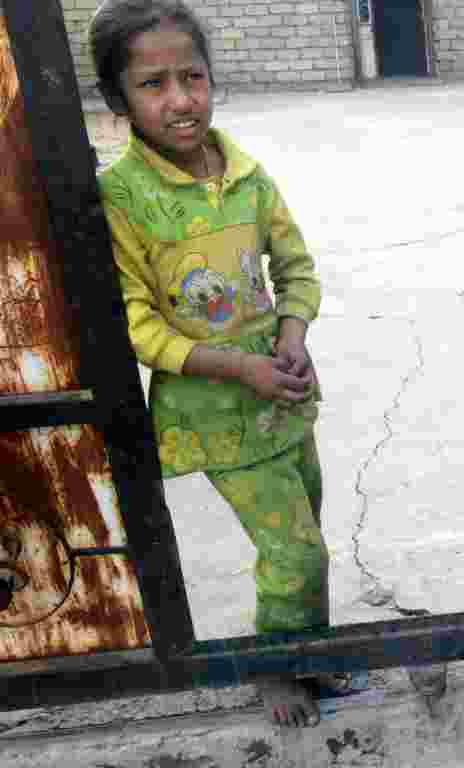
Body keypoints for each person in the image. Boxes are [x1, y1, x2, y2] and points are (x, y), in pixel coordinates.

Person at [89, 0, 330, 728]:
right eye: (153, 84)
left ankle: (307, 646)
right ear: (116, 99)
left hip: (284, 393)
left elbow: (296, 267)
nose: (180, 99)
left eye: (191, 76)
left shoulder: (249, 177)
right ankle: (275, 669)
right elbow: (137, 325)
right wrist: (237, 367)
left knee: (305, 538)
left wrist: (292, 334)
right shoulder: (123, 199)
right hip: (217, 412)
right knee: (295, 552)